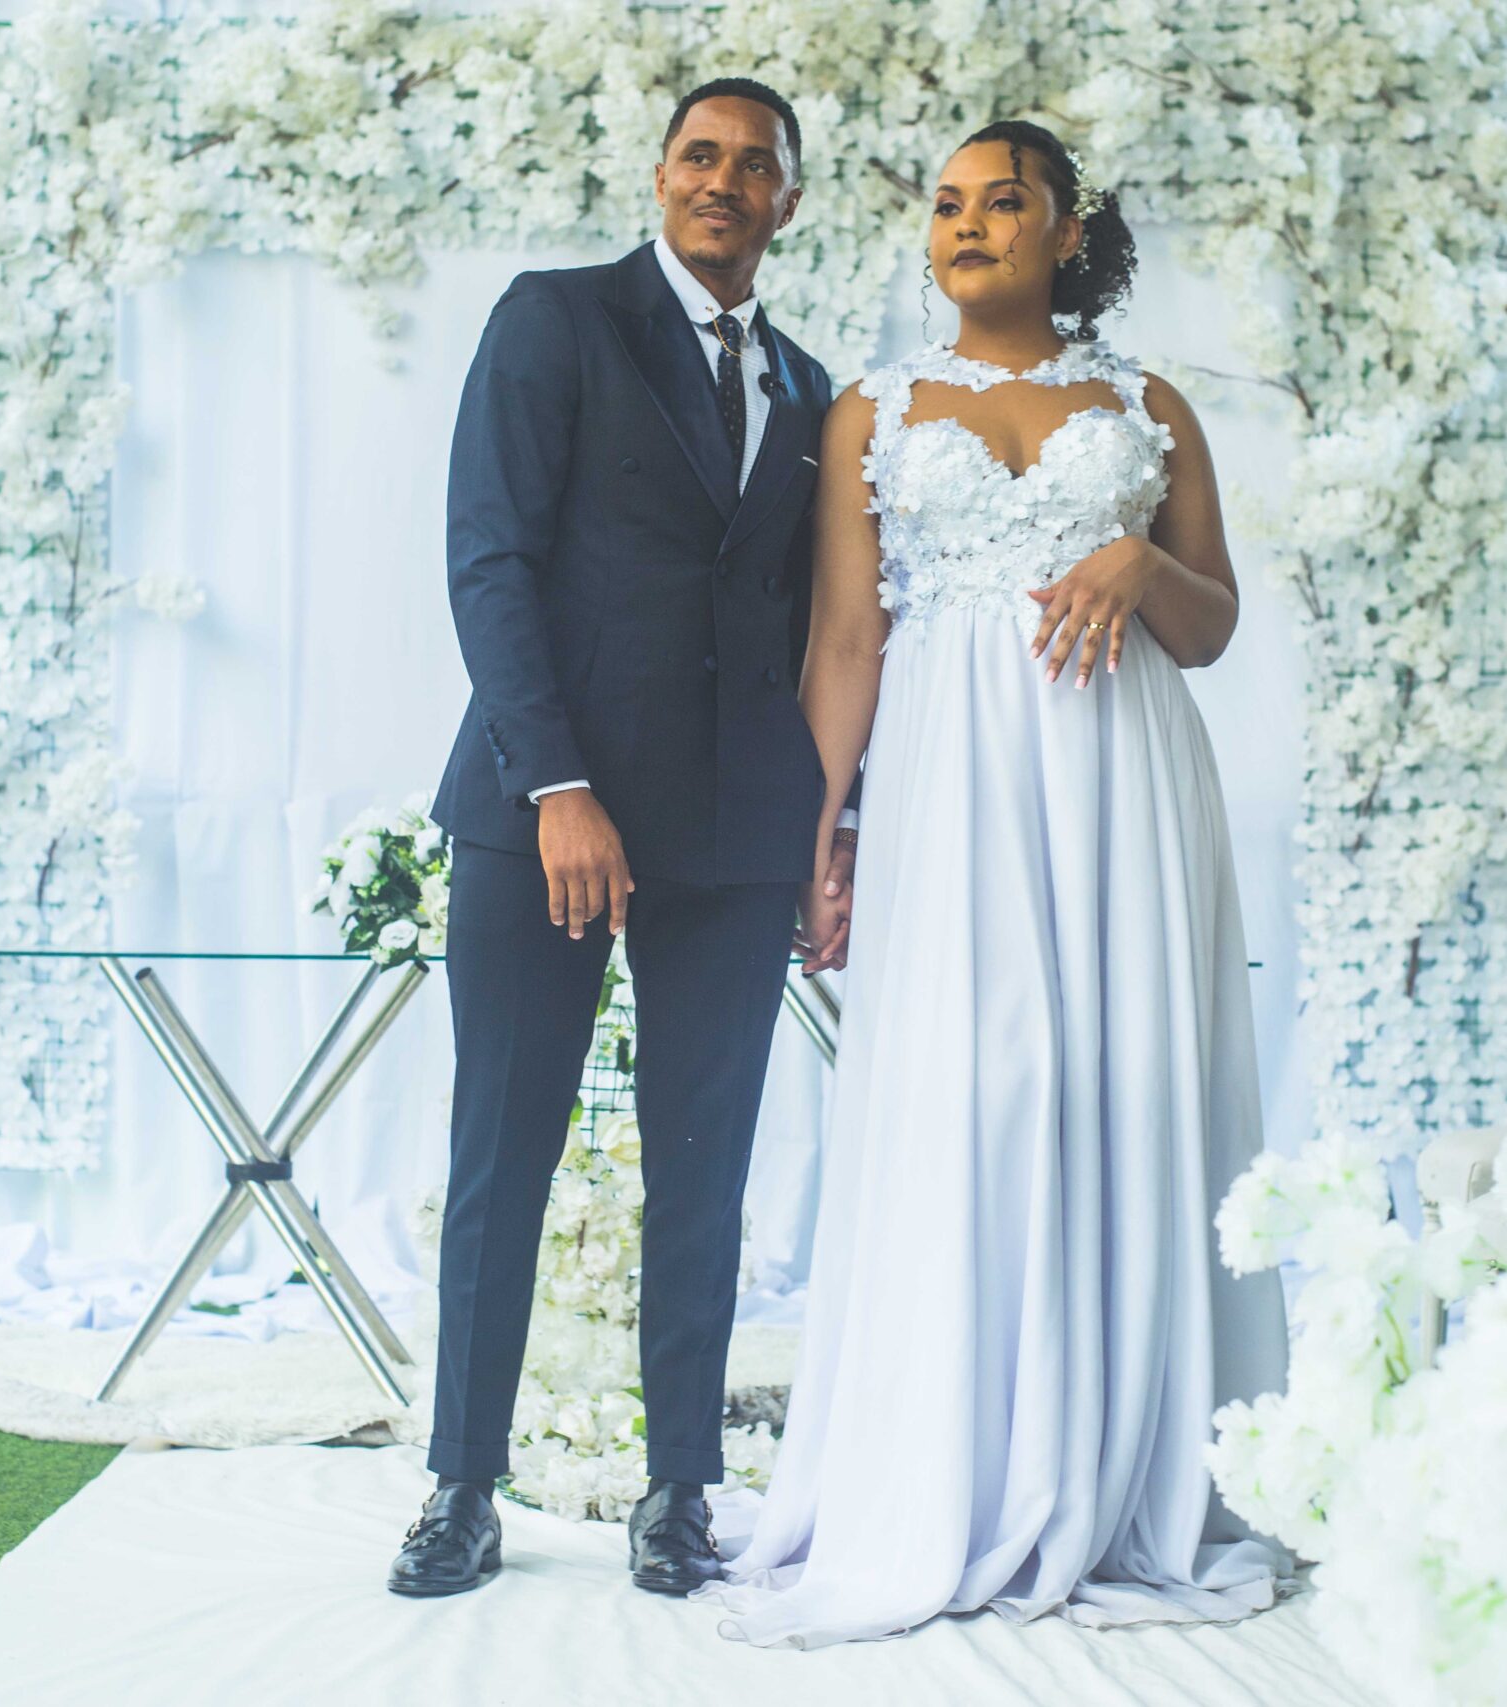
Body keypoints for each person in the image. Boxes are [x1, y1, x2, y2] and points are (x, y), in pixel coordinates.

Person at [691, 119, 1291, 1648]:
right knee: (975, 1089)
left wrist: (1141, 570)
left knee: (1119, 1086)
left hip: (1124, 785)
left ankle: (1120, 1465)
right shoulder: (875, 410)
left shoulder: (1148, 406)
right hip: (950, 787)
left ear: (1066, 229)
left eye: (1001, 201)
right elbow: (846, 641)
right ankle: (953, 1467)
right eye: (946, 204)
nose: (964, 224)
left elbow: (1214, 627)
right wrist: (821, 837)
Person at [398, 78, 855, 1598]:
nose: (723, 181)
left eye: (754, 166)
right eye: (699, 156)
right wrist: (557, 787)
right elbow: (490, 557)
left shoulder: (808, 386)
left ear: (787, 202)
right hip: (548, 813)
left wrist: (824, 831)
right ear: (662, 177)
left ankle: (680, 1490)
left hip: (736, 837)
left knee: (704, 1172)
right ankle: (462, 1487)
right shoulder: (556, 320)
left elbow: (815, 627)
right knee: (503, 1154)